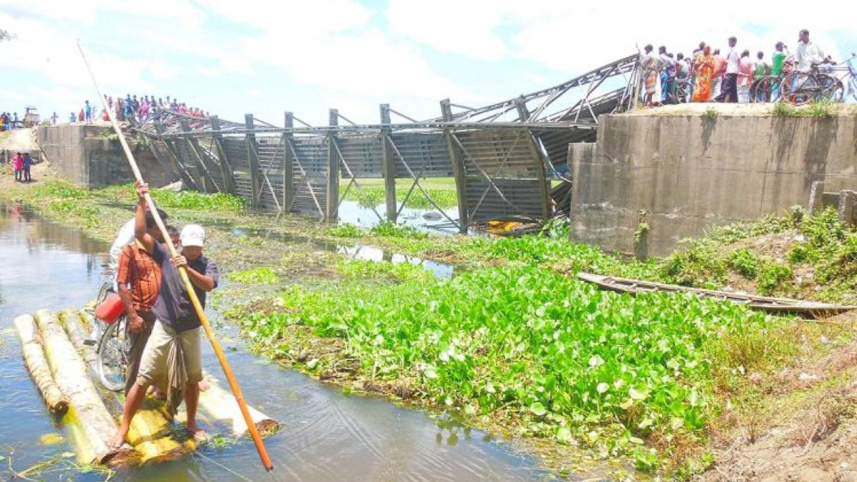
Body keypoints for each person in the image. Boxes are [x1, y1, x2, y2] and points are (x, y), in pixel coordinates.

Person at [108, 181, 219, 448]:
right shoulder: (166, 254)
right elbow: (139, 232)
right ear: (181, 244)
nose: (192, 251)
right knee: (143, 378)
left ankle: (191, 422)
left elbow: (209, 285)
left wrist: (188, 269)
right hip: (165, 327)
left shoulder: (207, 264)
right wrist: (141, 202)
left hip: (190, 329)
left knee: (193, 379)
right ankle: (123, 429)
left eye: (196, 248)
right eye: (188, 247)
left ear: (202, 246)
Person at [115, 209, 170, 395]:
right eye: (159, 228)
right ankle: (131, 399)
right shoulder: (130, 251)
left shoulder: (164, 250)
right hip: (142, 313)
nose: (163, 232)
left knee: (163, 355)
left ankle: (160, 391)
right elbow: (122, 285)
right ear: (148, 230)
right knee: (138, 358)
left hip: (163, 314)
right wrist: (133, 316)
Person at [715, 37, 740, 103]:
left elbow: (739, 60)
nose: (729, 43)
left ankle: (718, 98)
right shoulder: (731, 50)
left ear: (734, 42)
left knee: (726, 86)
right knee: (733, 88)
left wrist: (739, 70)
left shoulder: (736, 50)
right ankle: (735, 101)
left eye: (730, 41)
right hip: (730, 70)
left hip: (733, 70)